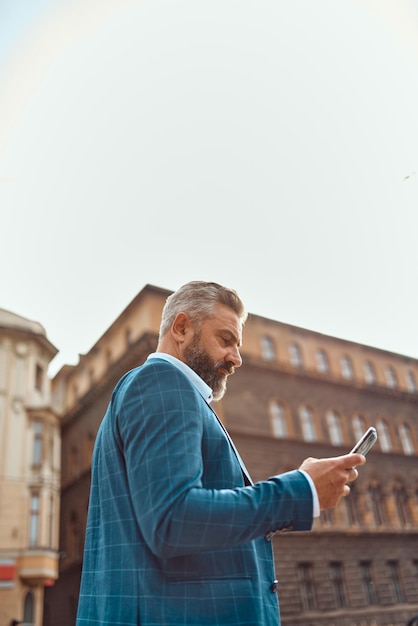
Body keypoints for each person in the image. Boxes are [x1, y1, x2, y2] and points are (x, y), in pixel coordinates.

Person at [76, 280, 365, 626]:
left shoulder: (165, 391)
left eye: (238, 345)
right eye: (225, 340)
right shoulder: (163, 383)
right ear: (181, 328)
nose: (237, 358)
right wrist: (300, 491)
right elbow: (174, 519)